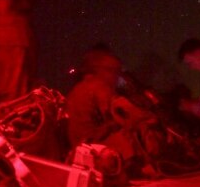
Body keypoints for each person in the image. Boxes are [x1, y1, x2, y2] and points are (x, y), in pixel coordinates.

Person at [64, 45, 164, 179]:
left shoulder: (79, 88)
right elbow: (123, 110)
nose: (117, 77)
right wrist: (149, 117)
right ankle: (142, 169)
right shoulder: (99, 86)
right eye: (115, 71)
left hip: (80, 148)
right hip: (93, 145)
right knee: (136, 131)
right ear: (105, 70)